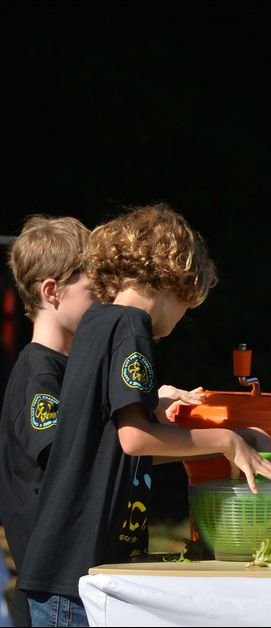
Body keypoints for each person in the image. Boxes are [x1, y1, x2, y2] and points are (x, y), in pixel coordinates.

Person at [16, 204, 271, 627]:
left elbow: (108, 450)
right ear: (171, 281)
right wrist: (226, 441)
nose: (180, 323)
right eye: (186, 307)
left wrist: (240, 435)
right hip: (75, 580)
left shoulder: (96, 323)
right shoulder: (130, 326)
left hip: (64, 574)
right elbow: (134, 440)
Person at [0, 216, 95, 628]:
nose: (105, 303)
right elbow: (63, 452)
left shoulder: (63, 371)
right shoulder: (40, 374)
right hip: (56, 593)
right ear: (52, 292)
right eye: (95, 290)